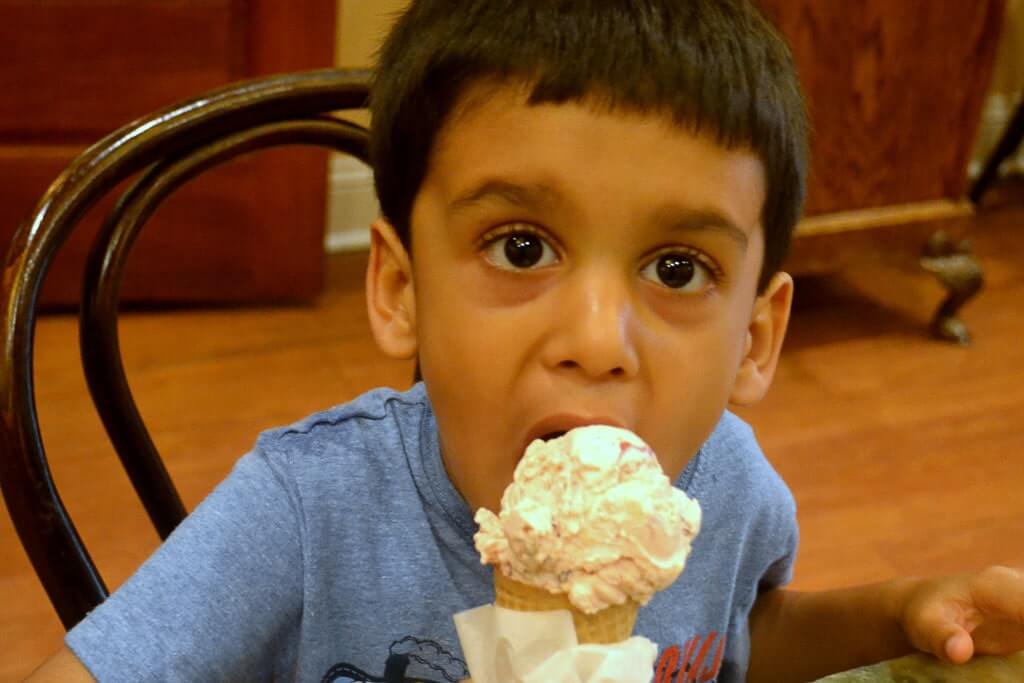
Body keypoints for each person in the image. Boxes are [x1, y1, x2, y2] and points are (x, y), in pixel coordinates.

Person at [29, 1, 1024, 681]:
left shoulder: (734, 489)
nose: (596, 340)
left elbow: (733, 638)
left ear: (757, 338)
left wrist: (895, 609)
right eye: (519, 245)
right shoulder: (304, 508)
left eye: (677, 268)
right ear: (400, 287)